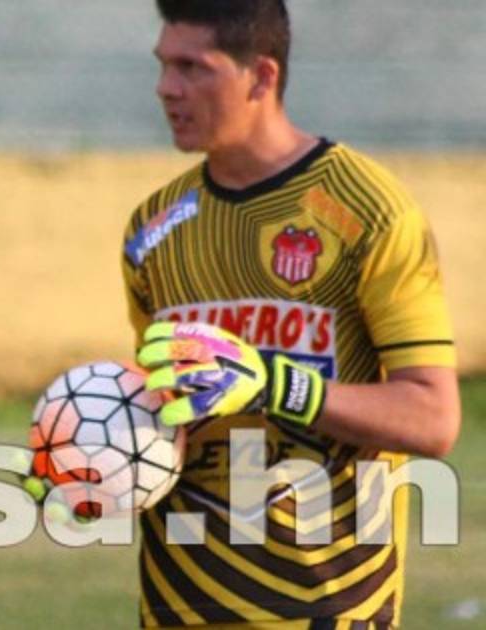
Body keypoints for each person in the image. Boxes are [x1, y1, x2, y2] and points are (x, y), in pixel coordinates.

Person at [121, 1, 460, 627]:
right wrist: (93, 454)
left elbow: (433, 418)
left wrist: (274, 383)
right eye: (163, 65)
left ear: (262, 76)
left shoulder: (371, 212)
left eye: (193, 68)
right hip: (180, 607)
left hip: (331, 606)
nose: (167, 88)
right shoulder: (153, 231)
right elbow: (168, 416)